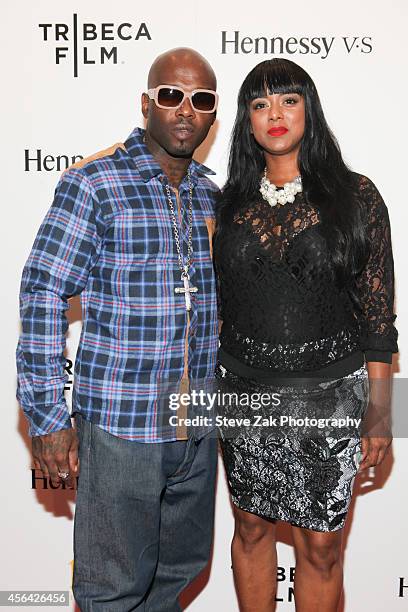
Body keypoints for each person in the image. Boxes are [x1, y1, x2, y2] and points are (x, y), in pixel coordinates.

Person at [16, 48, 220, 611]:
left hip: (197, 426)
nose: (185, 110)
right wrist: (49, 416)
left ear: (212, 115)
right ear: (147, 102)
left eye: (200, 100)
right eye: (171, 96)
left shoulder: (212, 193)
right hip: (121, 426)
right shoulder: (95, 183)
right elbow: (43, 292)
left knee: (179, 572)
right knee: (113, 589)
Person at [213, 58, 398, 611]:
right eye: (260, 103)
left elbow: (378, 317)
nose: (275, 114)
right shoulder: (225, 203)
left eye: (288, 100)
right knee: (249, 528)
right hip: (242, 392)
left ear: (309, 111)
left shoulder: (357, 195)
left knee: (320, 547)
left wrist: (383, 411)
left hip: (332, 394)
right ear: (246, 120)